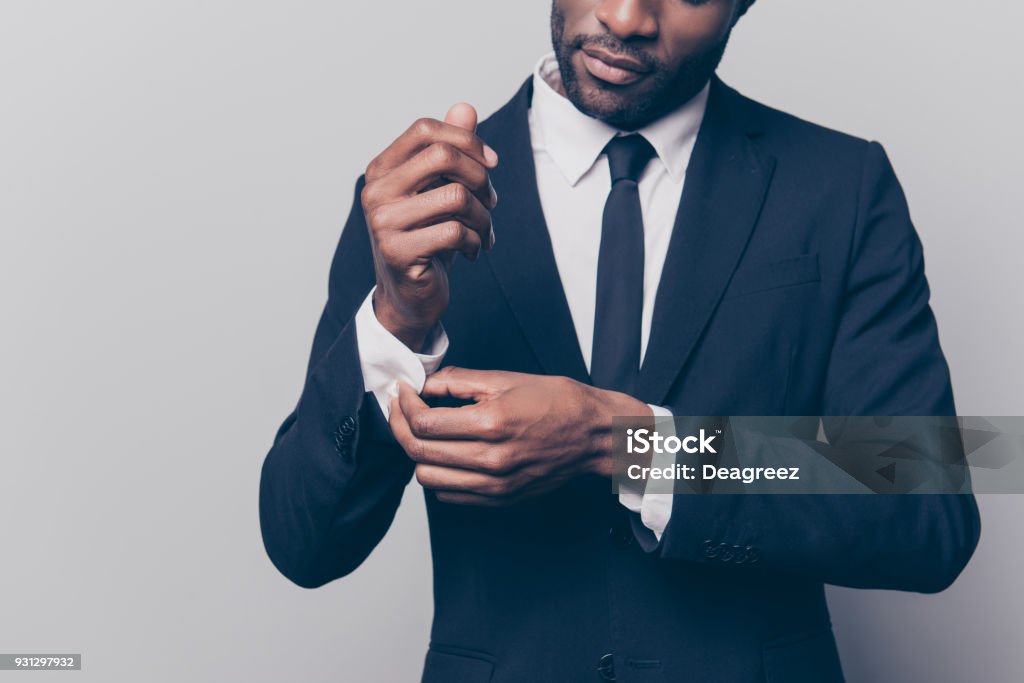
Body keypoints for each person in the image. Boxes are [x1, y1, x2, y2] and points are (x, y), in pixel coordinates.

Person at [259, 1, 980, 680]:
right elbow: (304, 542)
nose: (628, 17)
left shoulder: (841, 186)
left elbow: (926, 504)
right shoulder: (417, 201)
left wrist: (628, 442)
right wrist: (395, 319)